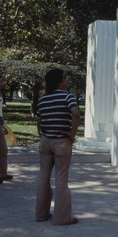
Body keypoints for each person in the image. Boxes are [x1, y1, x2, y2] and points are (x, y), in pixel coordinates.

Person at [35, 68, 81, 225]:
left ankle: (41, 215)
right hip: (61, 142)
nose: (67, 80)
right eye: (65, 78)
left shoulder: (42, 99)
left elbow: (39, 121)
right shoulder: (68, 96)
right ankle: (62, 218)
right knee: (61, 180)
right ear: (59, 81)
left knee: (43, 178)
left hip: (45, 141)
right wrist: (72, 134)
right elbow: (76, 113)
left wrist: (42, 134)